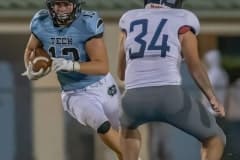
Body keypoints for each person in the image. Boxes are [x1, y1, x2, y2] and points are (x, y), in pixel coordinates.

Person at [117, 0, 226, 160]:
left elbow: (121, 74)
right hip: (169, 96)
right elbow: (195, 66)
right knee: (215, 138)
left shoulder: (129, 19)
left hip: (132, 98)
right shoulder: (182, 19)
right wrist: (212, 96)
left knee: (127, 129)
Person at [21, 0, 123, 159]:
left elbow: (102, 67)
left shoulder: (87, 24)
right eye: (57, 4)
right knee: (102, 124)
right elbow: (30, 49)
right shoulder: (41, 23)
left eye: (66, 4)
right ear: (50, 5)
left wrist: (72, 66)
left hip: (102, 85)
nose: (62, 9)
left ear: (76, 5)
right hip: (74, 92)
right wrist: (30, 68)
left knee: (124, 131)